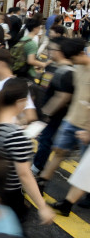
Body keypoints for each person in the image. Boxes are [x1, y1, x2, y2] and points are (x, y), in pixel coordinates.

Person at [0, 78, 55, 224]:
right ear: (20, 101)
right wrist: (42, 206)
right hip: (8, 196)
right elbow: (24, 175)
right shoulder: (16, 135)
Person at [36, 38, 90, 189]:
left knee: (86, 163)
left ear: (81, 53)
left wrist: (88, 129)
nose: (71, 61)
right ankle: (42, 181)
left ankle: (83, 195)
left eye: (73, 58)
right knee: (58, 151)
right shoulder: (77, 68)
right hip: (71, 119)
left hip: (86, 126)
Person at [31, 38, 76, 175]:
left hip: (55, 115)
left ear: (60, 51)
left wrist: (45, 114)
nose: (48, 51)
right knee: (45, 140)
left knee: (46, 141)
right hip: (50, 114)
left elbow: (62, 97)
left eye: (51, 49)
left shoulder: (67, 72)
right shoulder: (56, 67)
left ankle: (37, 168)